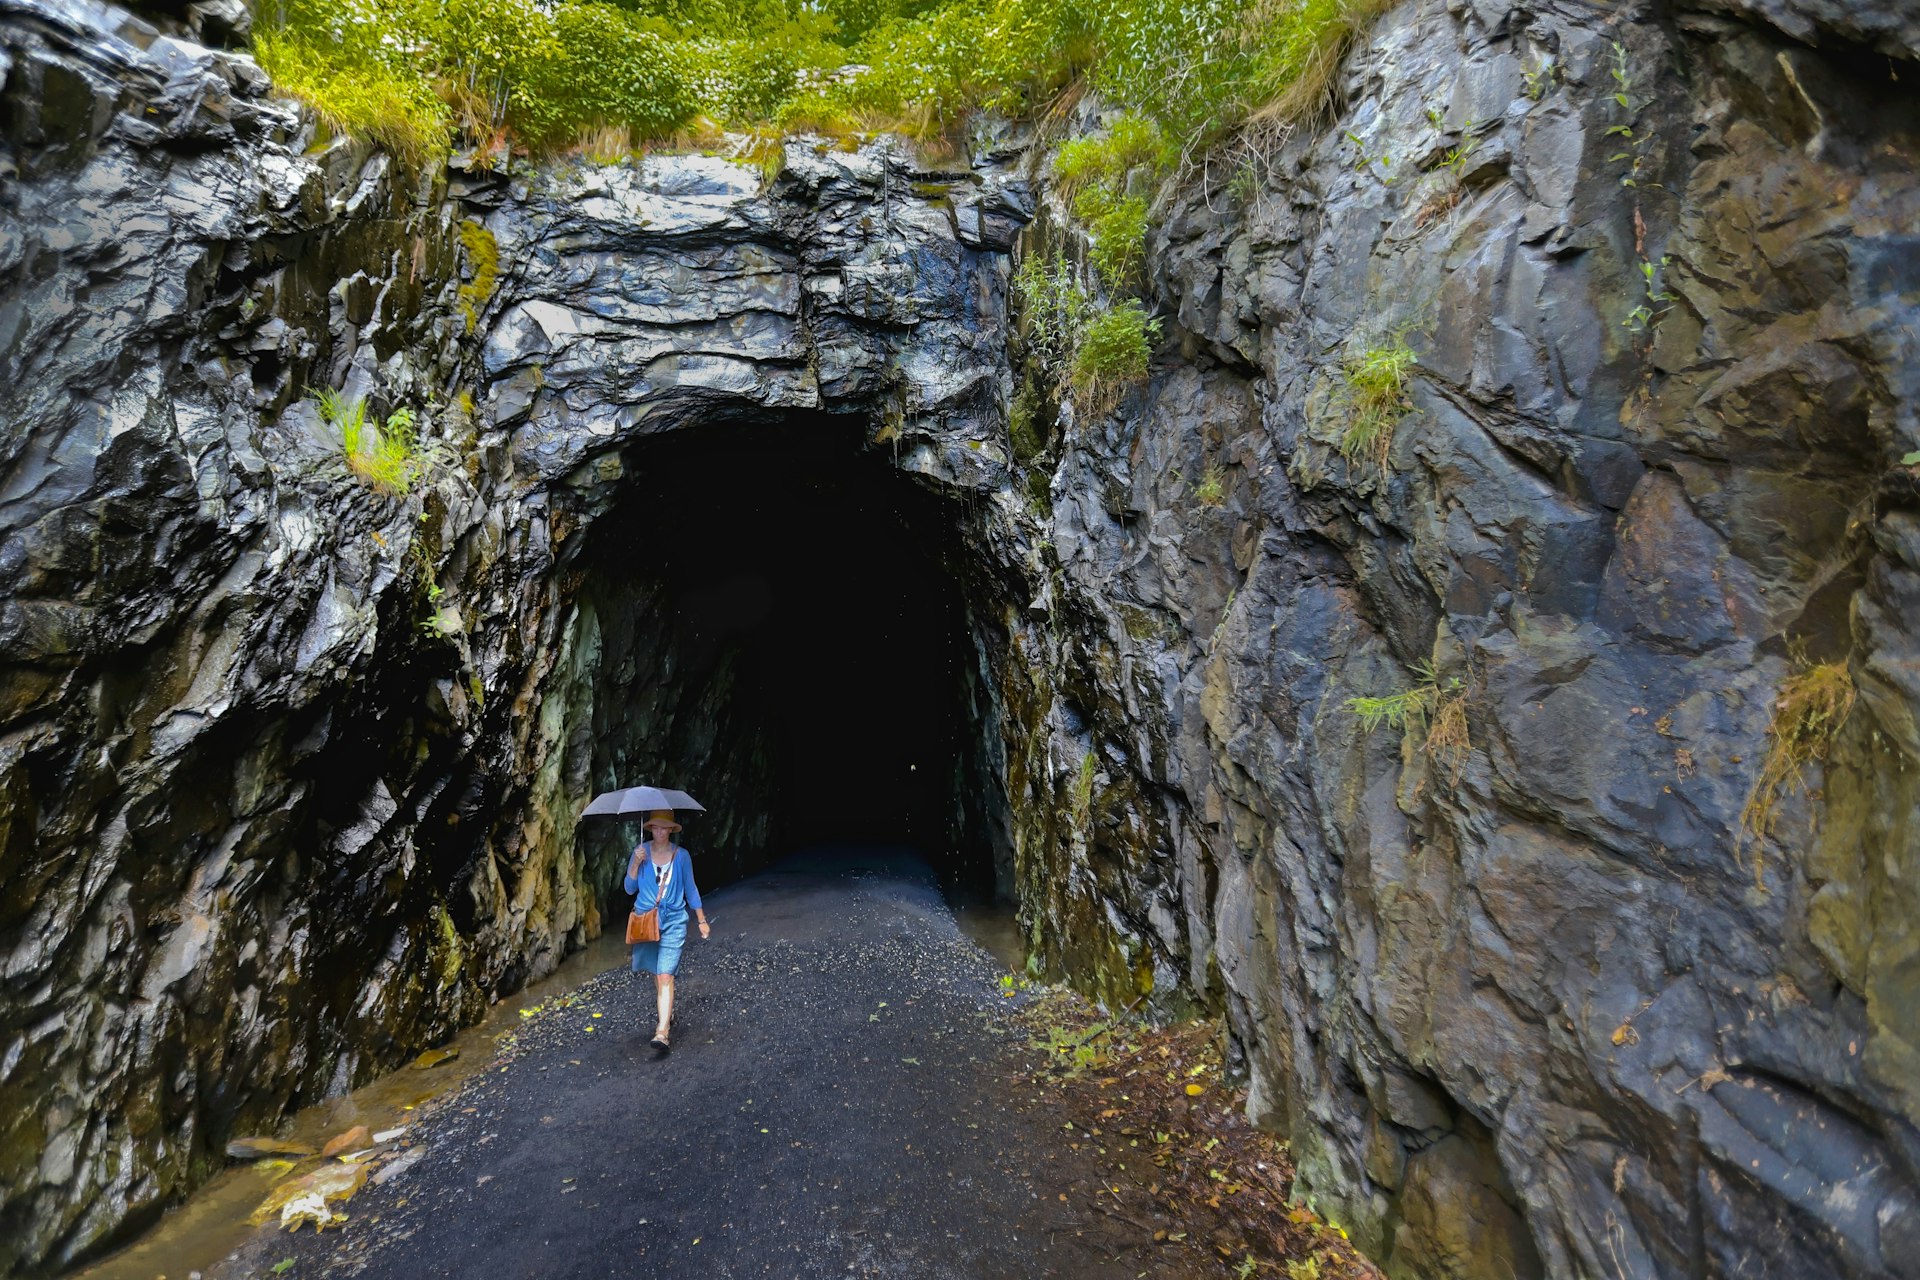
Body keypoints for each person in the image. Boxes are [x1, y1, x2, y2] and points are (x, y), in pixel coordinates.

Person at [624, 809, 709, 1050]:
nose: (660, 832)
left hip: (673, 920)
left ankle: (662, 1031)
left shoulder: (681, 856)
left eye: (665, 827)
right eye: (656, 827)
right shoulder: (640, 853)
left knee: (665, 974)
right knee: (656, 970)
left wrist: (701, 920)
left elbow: (691, 888)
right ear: (650, 829)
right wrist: (635, 864)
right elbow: (629, 888)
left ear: (671, 829)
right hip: (646, 920)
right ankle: (666, 1010)